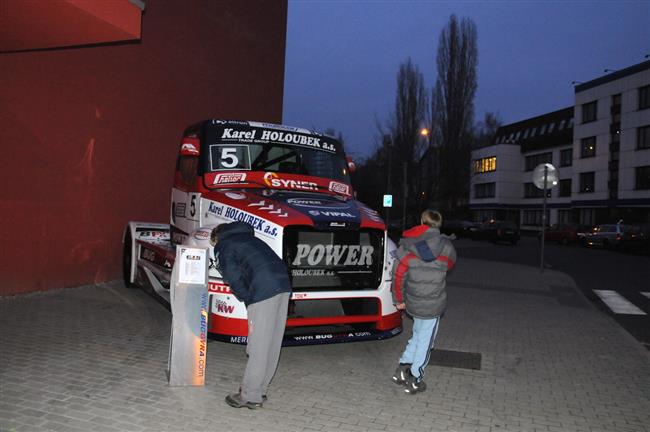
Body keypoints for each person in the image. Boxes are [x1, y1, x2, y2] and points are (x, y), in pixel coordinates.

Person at [210, 221, 292, 409]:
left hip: (263, 290)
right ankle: (260, 389)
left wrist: (248, 299)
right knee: (271, 343)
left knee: (258, 345)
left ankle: (250, 396)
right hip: (283, 286)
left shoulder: (224, 245)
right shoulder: (250, 239)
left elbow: (233, 277)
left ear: (217, 237)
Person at [390, 209, 457, 394]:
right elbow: (450, 264)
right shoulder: (446, 246)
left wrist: (399, 300)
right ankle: (415, 379)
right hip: (433, 304)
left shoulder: (407, 245)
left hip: (413, 302)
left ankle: (402, 368)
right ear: (438, 224)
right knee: (426, 342)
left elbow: (398, 275)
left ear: (421, 221)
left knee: (418, 336)